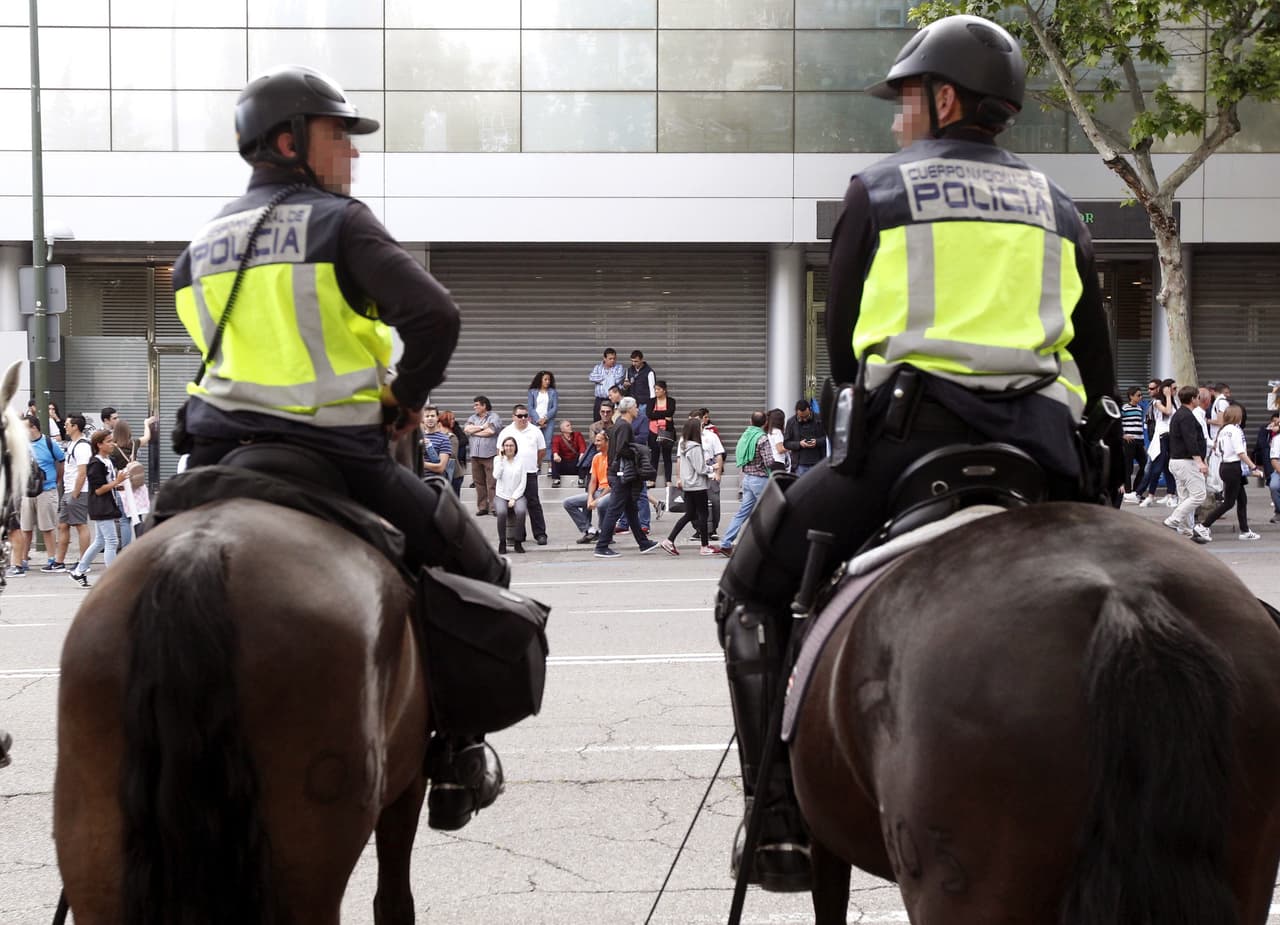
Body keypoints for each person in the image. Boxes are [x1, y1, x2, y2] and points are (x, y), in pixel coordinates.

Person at [713, 16, 1123, 892]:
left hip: (907, 448)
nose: (899, 119)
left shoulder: (878, 190)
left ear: (943, 98)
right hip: (1044, 462)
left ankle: (776, 813)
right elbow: (1099, 359)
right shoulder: (1062, 209)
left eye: (906, 100)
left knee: (749, 586)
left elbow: (839, 347)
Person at [170, 65, 505, 832]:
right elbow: (435, 316)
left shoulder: (198, 250)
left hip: (215, 463)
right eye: (337, 137)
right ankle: (455, 755)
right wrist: (403, 400)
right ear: (288, 142)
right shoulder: (340, 222)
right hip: (338, 456)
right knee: (479, 571)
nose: (351, 157)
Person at [593, 397, 659, 559]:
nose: (638, 409)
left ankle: (643, 543)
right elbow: (622, 449)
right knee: (614, 510)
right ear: (629, 409)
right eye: (636, 407)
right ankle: (601, 546)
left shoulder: (618, 426)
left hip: (619, 474)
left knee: (631, 510)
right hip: (622, 475)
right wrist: (638, 452)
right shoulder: (624, 426)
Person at [67, 430, 130, 589]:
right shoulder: (95, 463)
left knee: (100, 540)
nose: (112, 444)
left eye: (112, 441)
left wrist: (118, 484)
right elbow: (98, 490)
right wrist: (117, 482)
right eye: (108, 441)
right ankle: (112, 578)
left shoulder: (108, 460)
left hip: (107, 503)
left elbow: (109, 483)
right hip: (101, 506)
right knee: (112, 541)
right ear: (99, 444)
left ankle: (79, 571)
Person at [9, 415, 65, 577]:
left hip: (46, 490)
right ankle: (23, 559)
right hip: (26, 492)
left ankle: (51, 559)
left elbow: (61, 460)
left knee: (47, 527)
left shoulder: (48, 443)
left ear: (33, 427)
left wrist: (57, 480)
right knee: (25, 528)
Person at [1199, 404, 1263, 541]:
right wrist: (1254, 467)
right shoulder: (1235, 430)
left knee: (1242, 500)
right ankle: (1204, 526)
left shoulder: (1223, 430)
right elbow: (1240, 452)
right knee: (1229, 502)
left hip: (1225, 466)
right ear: (1238, 417)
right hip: (1233, 467)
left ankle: (1245, 530)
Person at [715, 411, 775, 557]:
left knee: (742, 513)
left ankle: (726, 543)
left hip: (747, 478)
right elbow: (769, 462)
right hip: (760, 480)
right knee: (770, 513)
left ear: (750, 421)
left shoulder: (746, 435)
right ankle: (766, 546)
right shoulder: (762, 438)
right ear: (765, 423)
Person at [659, 418, 715, 556]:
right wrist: (712, 468)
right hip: (698, 485)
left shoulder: (684, 445)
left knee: (690, 514)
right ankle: (704, 546)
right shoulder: (695, 447)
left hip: (688, 485)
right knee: (703, 514)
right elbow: (700, 469)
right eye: (701, 426)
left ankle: (669, 540)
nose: (703, 428)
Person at [497, 404, 548, 545]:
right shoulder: (506, 432)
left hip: (530, 473)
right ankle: (518, 535)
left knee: (534, 503)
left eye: (526, 415)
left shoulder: (535, 431)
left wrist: (535, 464)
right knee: (514, 504)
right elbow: (500, 452)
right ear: (513, 417)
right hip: (512, 475)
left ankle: (540, 534)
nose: (523, 418)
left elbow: (542, 451)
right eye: (520, 416)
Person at [1165, 385, 1211, 541]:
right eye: (1198, 397)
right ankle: (1173, 520)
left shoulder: (1180, 415)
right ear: (1193, 399)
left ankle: (1185, 532)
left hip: (1177, 461)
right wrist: (1200, 462)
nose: (1199, 400)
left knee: (1185, 497)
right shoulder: (1186, 416)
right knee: (1199, 495)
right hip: (1186, 462)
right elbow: (1190, 440)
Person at [54, 413, 93, 573]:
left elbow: (82, 472)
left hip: (78, 491)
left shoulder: (83, 446)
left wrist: (75, 494)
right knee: (63, 525)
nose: (65, 426)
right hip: (69, 490)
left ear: (75, 426)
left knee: (80, 525)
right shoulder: (72, 444)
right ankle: (59, 561)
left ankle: (84, 563)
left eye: (67, 424)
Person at [563, 430, 612, 543]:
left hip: (609, 492)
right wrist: (590, 497)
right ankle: (590, 530)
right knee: (568, 503)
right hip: (598, 491)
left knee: (601, 504)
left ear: (607, 442)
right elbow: (593, 480)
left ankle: (604, 534)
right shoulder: (596, 457)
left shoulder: (613, 457)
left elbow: (612, 484)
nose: (596, 443)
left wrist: (598, 499)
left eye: (599, 441)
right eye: (595, 441)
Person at [464, 396, 501, 515]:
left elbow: (491, 431)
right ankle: (482, 507)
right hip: (475, 455)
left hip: (489, 455)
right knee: (479, 483)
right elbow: (467, 429)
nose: (474, 407)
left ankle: (494, 507)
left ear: (484, 405)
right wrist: (481, 427)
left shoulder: (494, 417)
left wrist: (475, 433)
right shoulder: (472, 417)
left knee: (492, 483)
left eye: (477, 405)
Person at [493, 436, 527, 555]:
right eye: (506, 445)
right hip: (501, 495)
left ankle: (518, 541)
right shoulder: (498, 459)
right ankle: (502, 542)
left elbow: (523, 482)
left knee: (521, 511)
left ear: (515, 447)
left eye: (511, 445)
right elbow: (496, 475)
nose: (509, 448)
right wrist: (501, 460)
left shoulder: (521, 461)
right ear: (503, 447)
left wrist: (514, 497)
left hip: (517, 495)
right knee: (502, 513)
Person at [782, 400, 825, 476]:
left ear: (810, 409)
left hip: (818, 462)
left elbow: (828, 438)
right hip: (799, 464)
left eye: (806, 416)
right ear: (796, 412)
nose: (804, 419)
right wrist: (799, 444)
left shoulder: (820, 419)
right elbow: (786, 443)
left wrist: (817, 442)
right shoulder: (791, 422)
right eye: (801, 417)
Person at [527, 371, 559, 473]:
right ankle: (537, 465)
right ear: (540, 380)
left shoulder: (553, 392)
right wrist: (537, 420)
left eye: (549, 379)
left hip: (548, 421)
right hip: (535, 421)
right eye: (545, 379)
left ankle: (550, 466)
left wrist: (545, 418)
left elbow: (554, 408)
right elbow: (530, 407)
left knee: (548, 442)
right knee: (535, 443)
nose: (547, 381)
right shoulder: (532, 391)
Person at [1119, 386, 1146, 500]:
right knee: (1128, 466)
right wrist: (1123, 435)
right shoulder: (1124, 408)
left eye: (1141, 395)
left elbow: (1139, 425)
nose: (1141, 397)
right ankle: (1127, 491)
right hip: (1129, 441)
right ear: (1131, 396)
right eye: (1138, 395)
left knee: (1144, 464)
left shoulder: (1140, 409)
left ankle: (1136, 490)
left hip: (1139, 441)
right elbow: (1117, 422)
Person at [588, 348, 625, 423]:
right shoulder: (597, 367)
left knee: (613, 421)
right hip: (600, 399)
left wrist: (601, 379)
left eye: (614, 358)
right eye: (610, 358)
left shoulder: (619, 367)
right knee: (598, 420)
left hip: (612, 400)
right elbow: (591, 377)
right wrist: (609, 377)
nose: (613, 360)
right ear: (604, 358)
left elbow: (617, 380)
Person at [421, 406, 454, 481]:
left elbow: (441, 468)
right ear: (423, 419)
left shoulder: (444, 439)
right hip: (418, 481)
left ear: (437, 418)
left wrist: (422, 464)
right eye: (427, 416)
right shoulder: (418, 437)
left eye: (432, 416)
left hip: (435, 482)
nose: (430, 418)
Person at [550, 419, 586, 488]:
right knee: (553, 455)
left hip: (575, 464)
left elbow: (582, 446)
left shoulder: (577, 435)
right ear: (562, 429)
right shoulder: (557, 438)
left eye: (570, 425)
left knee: (584, 455)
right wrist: (555, 454)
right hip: (563, 465)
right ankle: (556, 479)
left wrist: (582, 454)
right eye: (568, 426)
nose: (570, 427)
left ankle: (581, 479)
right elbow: (555, 447)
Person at [439, 410, 466, 497]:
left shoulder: (452, 437)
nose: (453, 421)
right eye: (451, 419)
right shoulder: (438, 435)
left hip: (454, 475)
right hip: (444, 473)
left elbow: (453, 455)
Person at [766, 408, 789, 474]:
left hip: (773, 462)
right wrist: (791, 446)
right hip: (778, 463)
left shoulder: (770, 432)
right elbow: (780, 449)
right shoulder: (777, 432)